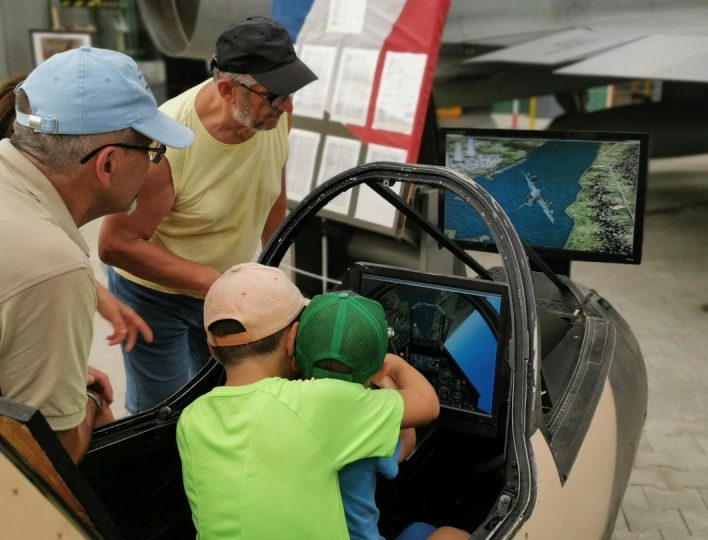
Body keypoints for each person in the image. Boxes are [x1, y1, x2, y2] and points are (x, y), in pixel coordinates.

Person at [99, 15, 318, 414]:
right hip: (155, 296)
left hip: (226, 287)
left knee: (230, 402)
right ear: (227, 89)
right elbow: (115, 244)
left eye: (290, 93)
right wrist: (214, 283)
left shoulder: (275, 114)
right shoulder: (168, 143)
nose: (286, 106)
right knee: (162, 413)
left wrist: (269, 271)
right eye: (275, 96)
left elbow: (273, 188)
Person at [0, 46, 194, 463]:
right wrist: (85, 399)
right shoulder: (52, 266)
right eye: (152, 152)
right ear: (108, 164)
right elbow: (49, 456)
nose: (153, 166)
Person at [176, 263, 439, 539]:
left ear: (212, 350)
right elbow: (426, 405)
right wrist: (387, 363)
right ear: (293, 338)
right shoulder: (317, 403)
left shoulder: (191, 420)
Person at [294, 292, 470, 540]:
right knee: (451, 534)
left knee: (419, 529)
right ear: (380, 369)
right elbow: (407, 445)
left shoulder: (281, 403)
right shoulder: (365, 418)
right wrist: (392, 378)